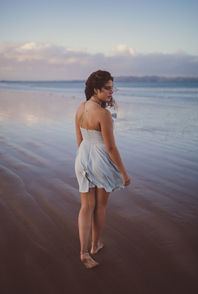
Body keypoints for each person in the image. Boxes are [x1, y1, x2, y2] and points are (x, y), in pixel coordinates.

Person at [74, 70, 130, 269]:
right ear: (96, 89)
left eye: (112, 87)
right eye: (107, 88)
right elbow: (111, 148)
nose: (111, 92)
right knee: (100, 206)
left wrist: (84, 158)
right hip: (100, 161)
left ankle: (82, 252)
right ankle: (95, 244)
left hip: (82, 159)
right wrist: (123, 172)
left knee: (86, 207)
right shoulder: (103, 114)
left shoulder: (81, 108)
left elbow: (79, 140)